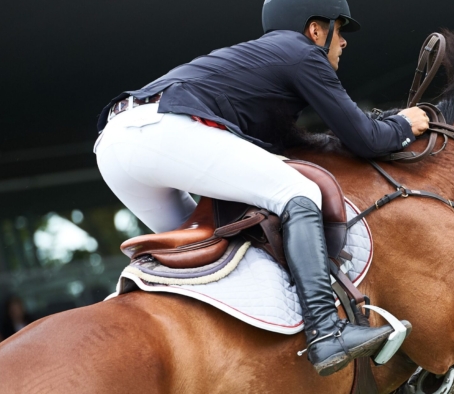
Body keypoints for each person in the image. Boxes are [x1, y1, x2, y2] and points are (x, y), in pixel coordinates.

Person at [93, 0, 428, 376]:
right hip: (160, 132)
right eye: (340, 28)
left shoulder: (260, 62)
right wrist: (402, 124)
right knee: (299, 193)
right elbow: (364, 139)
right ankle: (325, 331)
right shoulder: (302, 53)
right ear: (316, 30)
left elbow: (285, 145)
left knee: (208, 244)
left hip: (114, 145)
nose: (344, 41)